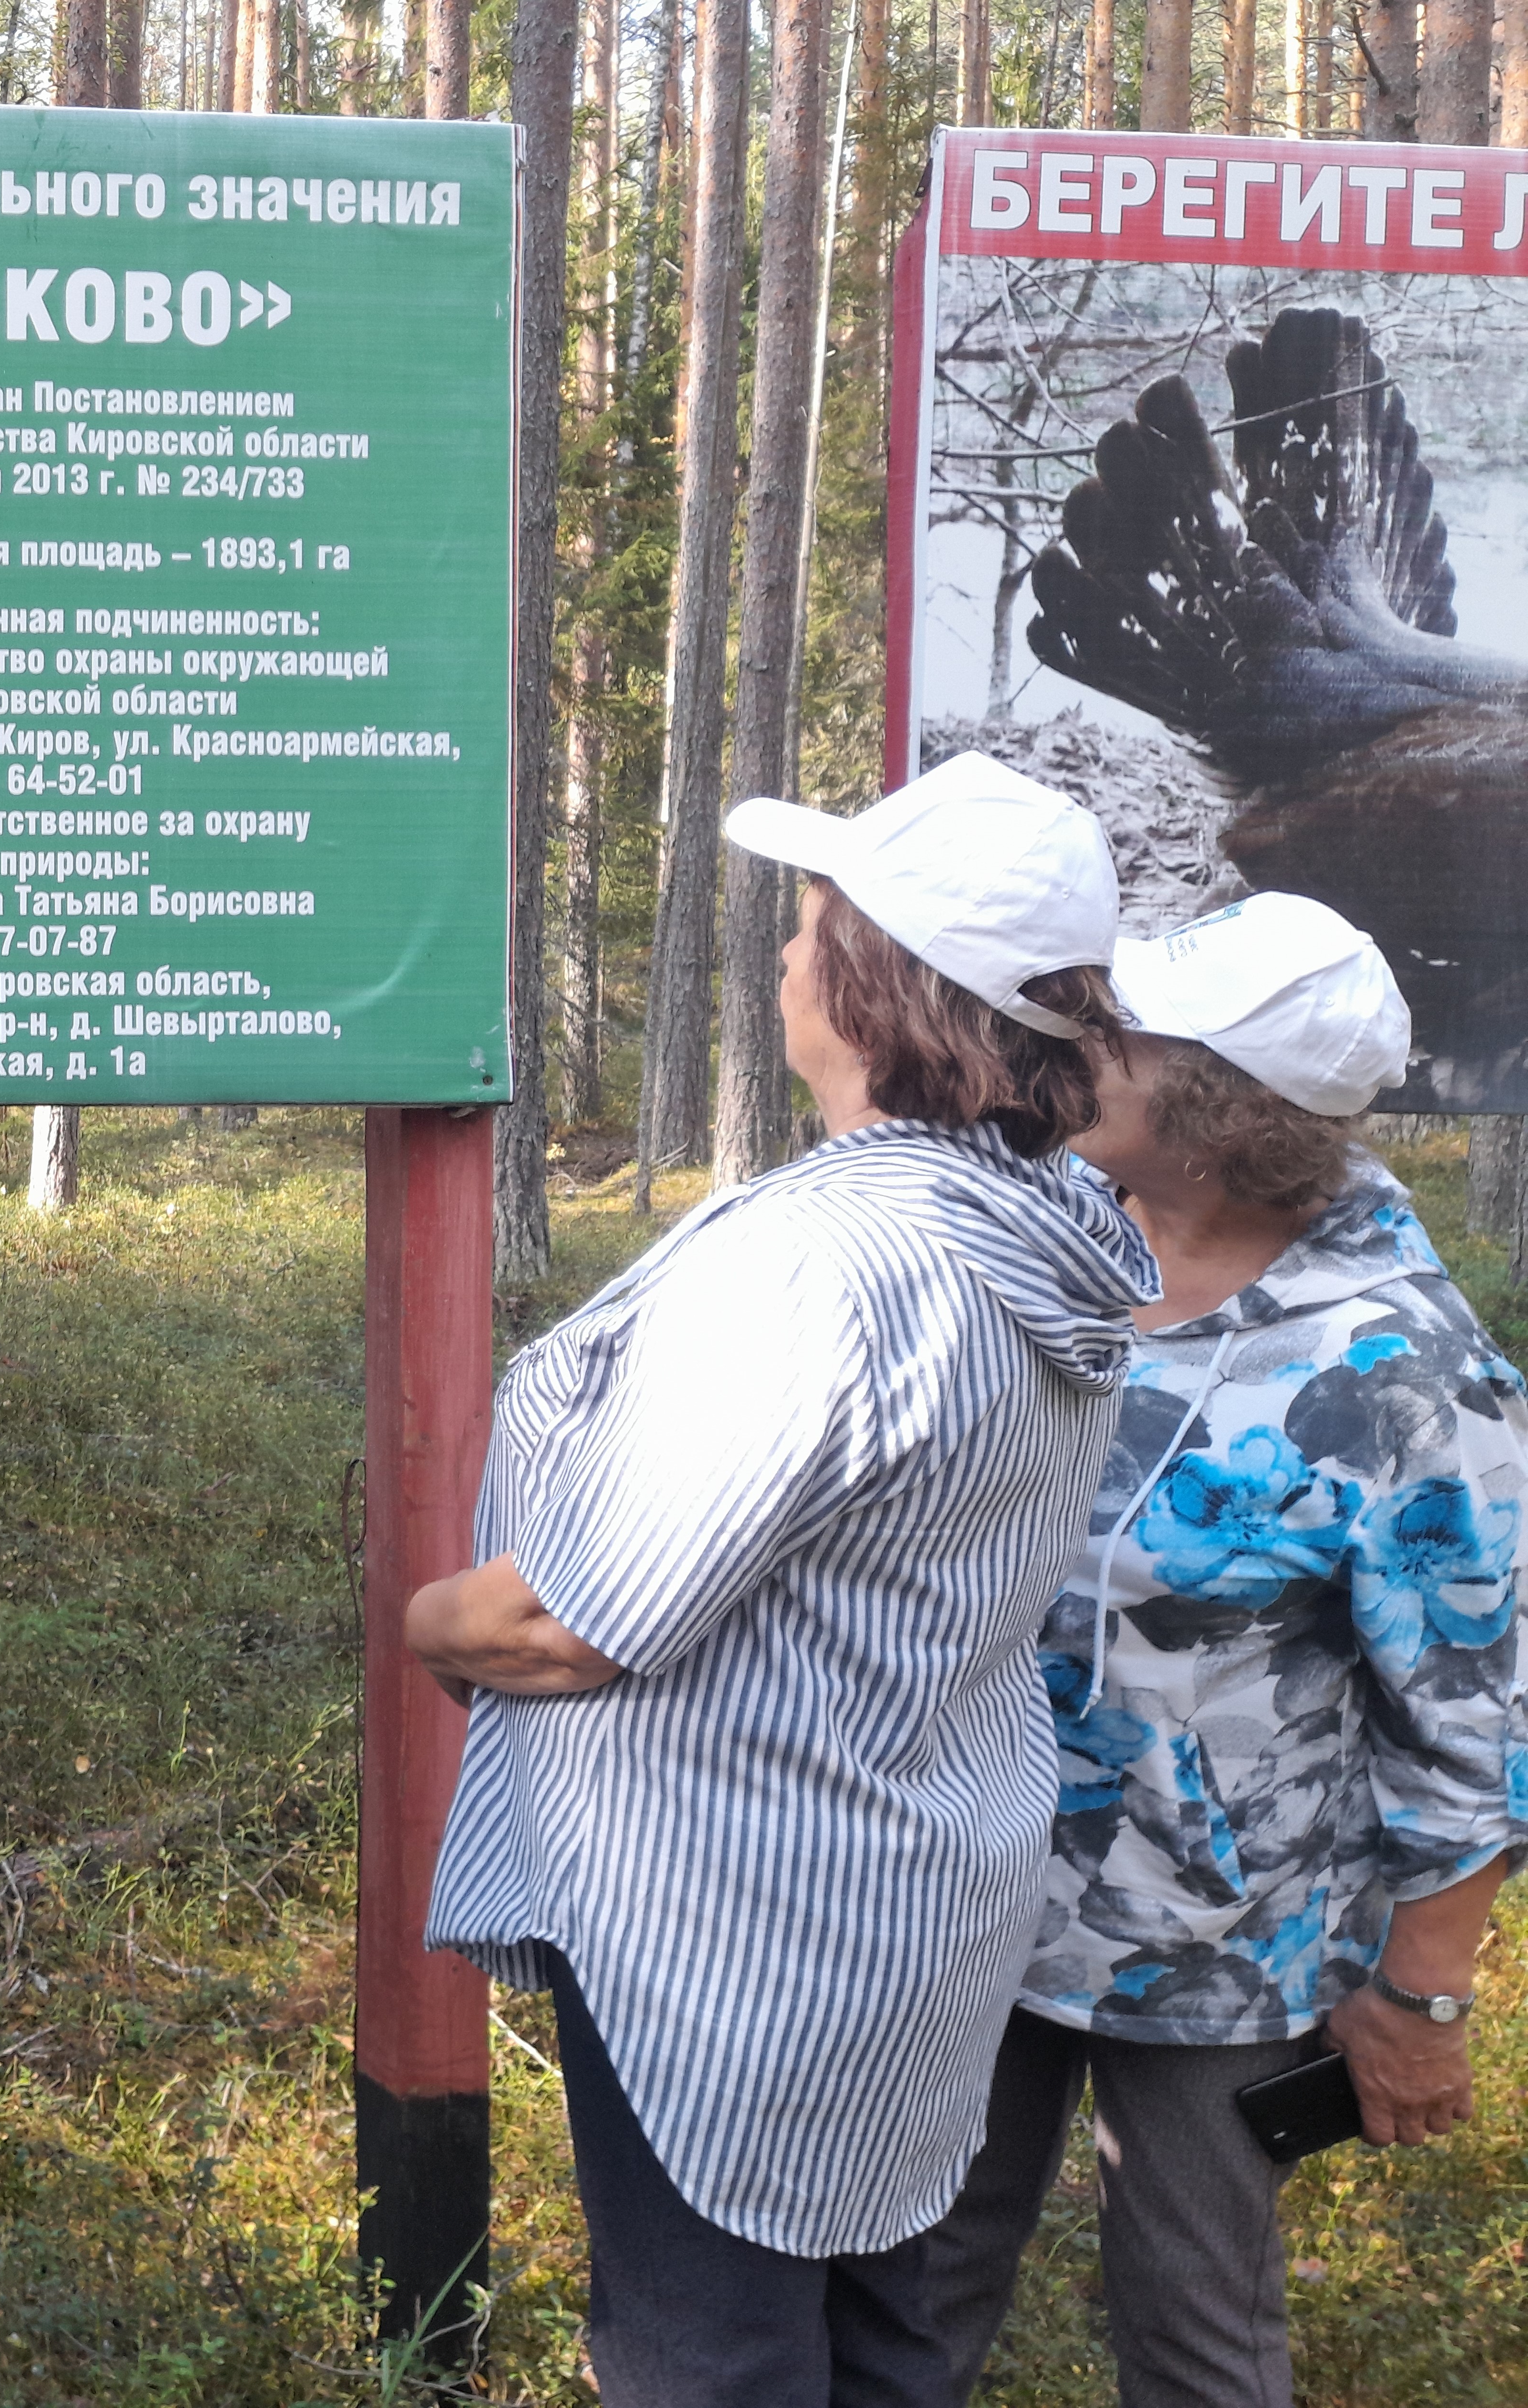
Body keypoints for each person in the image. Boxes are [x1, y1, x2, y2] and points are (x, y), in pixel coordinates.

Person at [410, 753, 1161, 2406]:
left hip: (728, 1932)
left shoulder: (829, 1260)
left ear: (877, 983)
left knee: (712, 2354)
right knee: (892, 2342)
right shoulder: (1041, 1226)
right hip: (913, 1889)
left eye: (809, 923)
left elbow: (566, 1624)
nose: (778, 958)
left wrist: (424, 1620)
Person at [927, 892, 1523, 2408]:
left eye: (1116, 1034)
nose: (1077, 1045)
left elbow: (1472, 1720)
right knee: (905, 2289)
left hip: (1218, 1953)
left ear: (1208, 1101)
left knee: (1194, 2331)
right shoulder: (1048, 1241)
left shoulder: (1397, 1369)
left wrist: (1420, 1999)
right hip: (963, 1886)